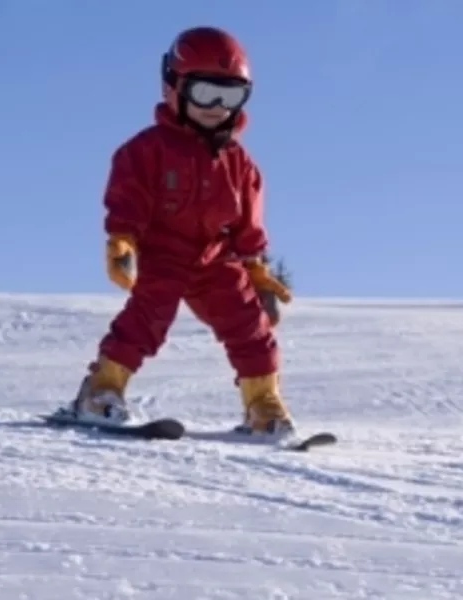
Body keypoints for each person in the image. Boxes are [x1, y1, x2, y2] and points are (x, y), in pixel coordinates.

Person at [69, 25, 295, 438]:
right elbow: (128, 195)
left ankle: (264, 405)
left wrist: (256, 267)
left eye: (230, 96)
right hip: (163, 252)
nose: (216, 108)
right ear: (174, 87)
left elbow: (248, 220)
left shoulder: (240, 163)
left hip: (216, 257)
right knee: (147, 319)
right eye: (205, 92)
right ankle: (102, 390)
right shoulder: (148, 149)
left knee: (249, 326)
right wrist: (122, 238)